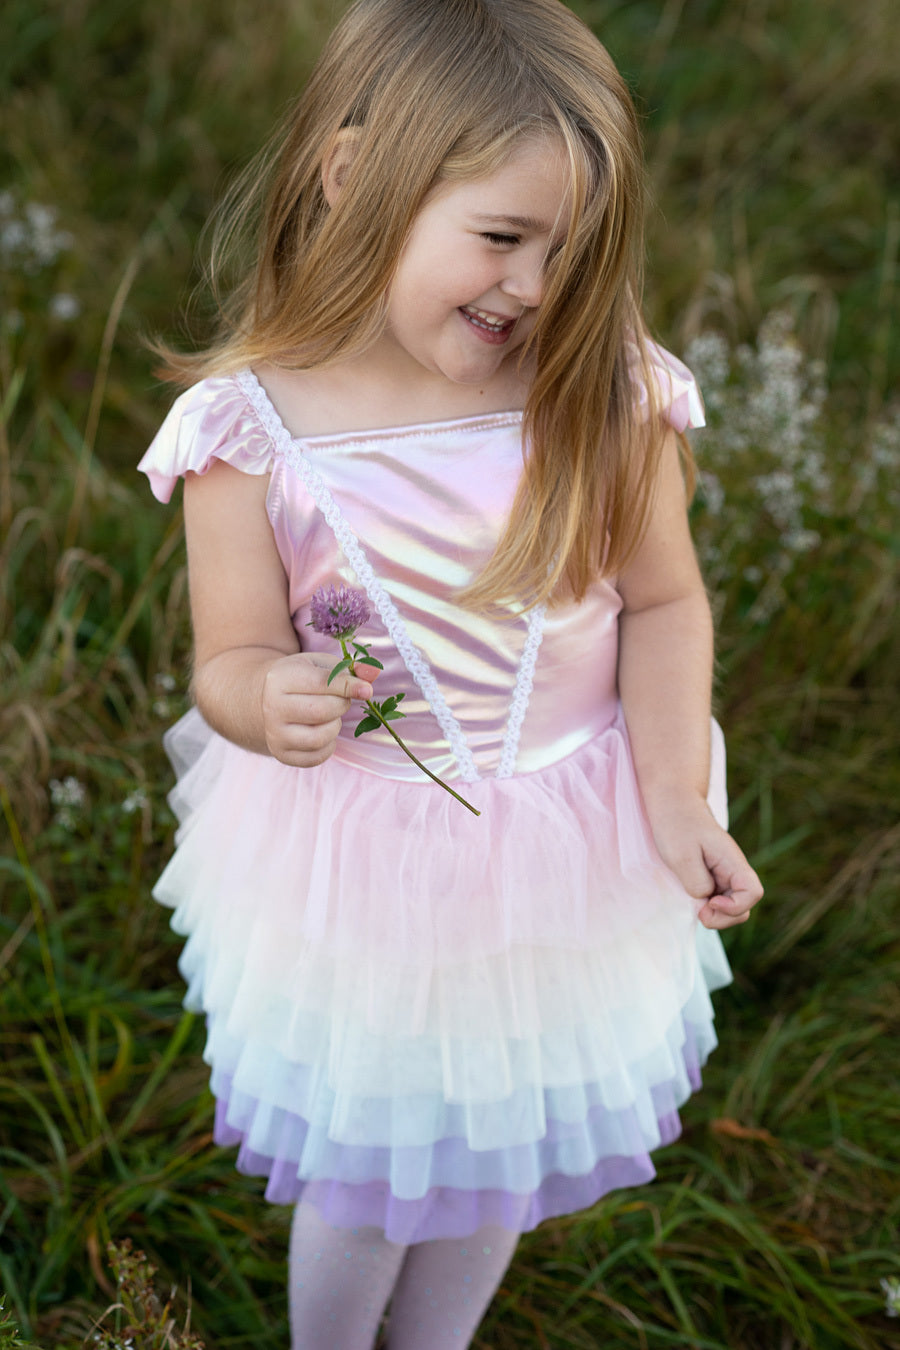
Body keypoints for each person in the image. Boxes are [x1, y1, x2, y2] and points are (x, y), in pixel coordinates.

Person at [138, 0, 763, 1345]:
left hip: (569, 840)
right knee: (368, 1177)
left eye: (567, 248)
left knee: (491, 1156)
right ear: (357, 176)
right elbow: (228, 656)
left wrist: (675, 797)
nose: (534, 287)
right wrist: (266, 699)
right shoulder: (253, 429)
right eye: (501, 235)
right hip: (367, 857)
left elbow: (662, 598)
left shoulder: (602, 394)